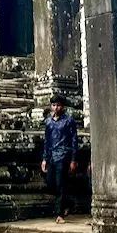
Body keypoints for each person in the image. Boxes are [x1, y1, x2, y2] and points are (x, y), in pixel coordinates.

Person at [40, 95, 78, 224]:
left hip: (64, 155)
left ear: (63, 107)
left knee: (60, 184)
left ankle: (59, 214)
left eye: (59, 105)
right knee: (51, 183)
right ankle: (68, 202)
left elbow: (74, 141)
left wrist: (73, 159)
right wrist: (44, 159)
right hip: (51, 156)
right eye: (54, 105)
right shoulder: (48, 122)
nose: (56, 108)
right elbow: (47, 141)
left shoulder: (69, 121)